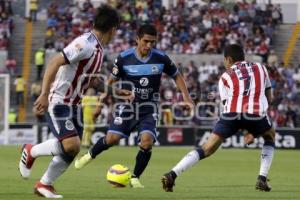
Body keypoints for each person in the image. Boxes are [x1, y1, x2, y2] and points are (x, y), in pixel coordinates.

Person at [18, 5, 133, 198]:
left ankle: (44, 185)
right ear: (113, 29)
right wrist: (45, 93)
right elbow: (55, 61)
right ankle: (31, 151)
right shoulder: (85, 43)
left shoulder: (97, 48)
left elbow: (93, 81)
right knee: (71, 145)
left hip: (74, 105)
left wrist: (116, 91)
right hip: (59, 101)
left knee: (72, 149)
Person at [74, 24, 194, 188]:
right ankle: (88, 155)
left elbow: (177, 76)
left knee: (147, 142)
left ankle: (135, 177)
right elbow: (110, 81)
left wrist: (186, 98)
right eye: (146, 41)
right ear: (137, 39)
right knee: (111, 139)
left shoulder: (161, 58)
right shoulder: (124, 58)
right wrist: (100, 104)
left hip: (149, 107)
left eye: (153, 42)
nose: (149, 45)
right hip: (129, 107)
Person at [161, 44, 276, 192]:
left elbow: (230, 108)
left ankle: (172, 174)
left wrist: (245, 128)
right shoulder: (261, 68)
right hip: (256, 113)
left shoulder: (225, 77)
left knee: (207, 148)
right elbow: (269, 98)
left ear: (228, 59)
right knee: (270, 135)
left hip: (231, 114)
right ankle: (262, 178)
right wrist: (253, 131)